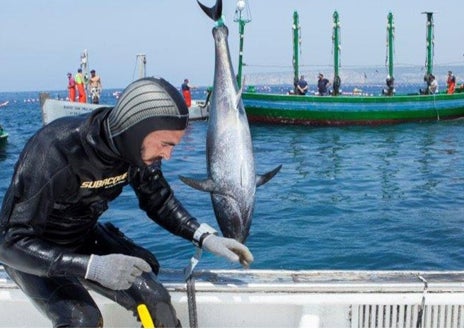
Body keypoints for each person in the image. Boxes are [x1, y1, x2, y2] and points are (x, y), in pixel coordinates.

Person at [0, 77, 253, 327]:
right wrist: (93, 268)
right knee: (83, 320)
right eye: (166, 144)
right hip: (33, 253)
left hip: (83, 239)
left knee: (157, 299)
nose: (168, 154)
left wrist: (205, 237)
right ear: (136, 130)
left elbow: (159, 200)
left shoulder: (136, 152)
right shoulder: (54, 150)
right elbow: (9, 242)